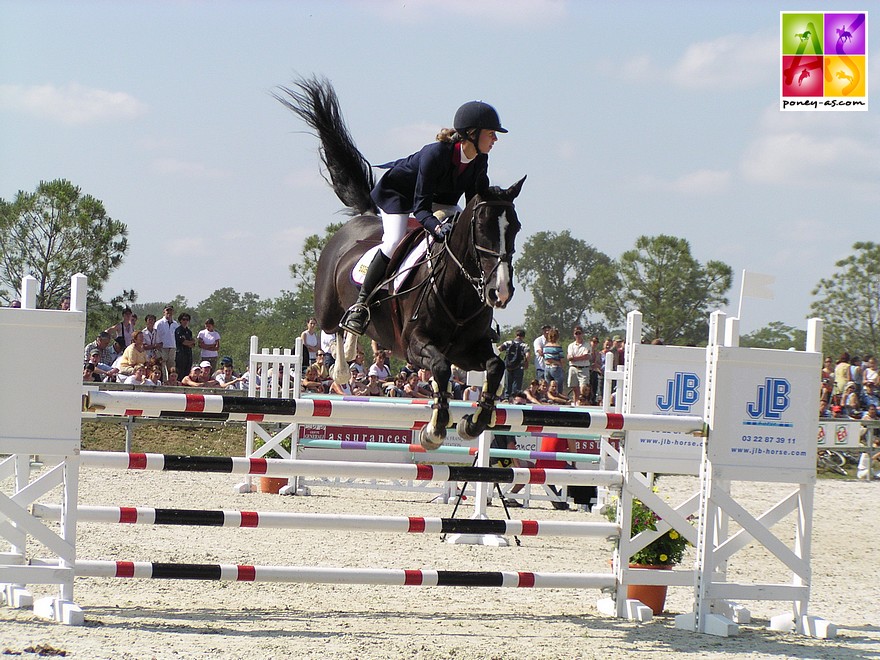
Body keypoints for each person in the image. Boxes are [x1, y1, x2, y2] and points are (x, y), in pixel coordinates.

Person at [340, 100, 508, 336]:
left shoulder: (480, 159)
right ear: (472, 133)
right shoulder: (435, 154)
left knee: (468, 240)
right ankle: (361, 304)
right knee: (393, 240)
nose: (495, 139)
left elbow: (473, 204)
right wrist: (438, 229)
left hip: (440, 199)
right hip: (400, 196)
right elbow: (420, 209)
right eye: (491, 133)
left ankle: (480, 316)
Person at [499, 329, 529, 400]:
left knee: (508, 382)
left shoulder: (508, 342)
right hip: (519, 366)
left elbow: (499, 348)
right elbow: (527, 355)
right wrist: (526, 363)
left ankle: (506, 397)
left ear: (516, 335)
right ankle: (515, 398)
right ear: (523, 336)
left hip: (508, 366)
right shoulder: (524, 345)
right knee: (517, 383)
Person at [566, 326, 591, 402]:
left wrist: (574, 358)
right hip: (573, 368)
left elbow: (586, 356)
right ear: (574, 334)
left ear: (582, 334)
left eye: (579, 333)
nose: (578, 335)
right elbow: (569, 357)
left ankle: (583, 403)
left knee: (583, 388)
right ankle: (575, 403)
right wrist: (574, 358)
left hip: (583, 368)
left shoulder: (587, 345)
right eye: (576, 333)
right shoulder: (571, 346)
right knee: (574, 388)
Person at [154, 305, 179, 376]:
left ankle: (171, 382)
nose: (169, 312)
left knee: (171, 367)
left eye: (171, 310)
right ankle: (163, 382)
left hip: (172, 348)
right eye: (167, 310)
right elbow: (155, 335)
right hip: (162, 348)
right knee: (162, 366)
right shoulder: (159, 323)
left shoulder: (175, 324)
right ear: (164, 312)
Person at [174, 313, 195, 378]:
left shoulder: (189, 332)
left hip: (188, 354)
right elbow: (183, 342)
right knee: (180, 372)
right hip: (181, 354)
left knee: (187, 372)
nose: (185, 321)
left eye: (187, 320)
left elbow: (193, 344)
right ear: (180, 320)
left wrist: (190, 342)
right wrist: (189, 342)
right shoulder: (178, 330)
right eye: (183, 319)